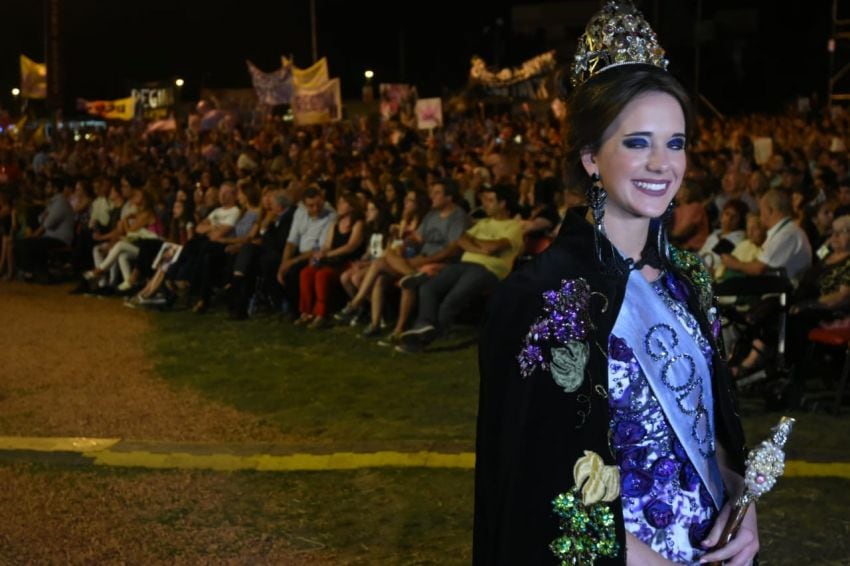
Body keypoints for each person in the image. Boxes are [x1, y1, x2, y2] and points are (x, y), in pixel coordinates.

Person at [473, 2, 756, 565]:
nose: (662, 164)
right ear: (590, 157)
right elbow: (534, 484)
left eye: (675, 143)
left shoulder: (689, 278)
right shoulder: (539, 299)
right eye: (637, 142)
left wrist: (742, 509)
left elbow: (709, 422)